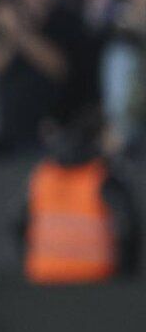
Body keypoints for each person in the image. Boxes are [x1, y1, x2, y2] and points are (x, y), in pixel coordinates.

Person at [17, 107, 140, 283]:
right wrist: (127, 273)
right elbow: (127, 227)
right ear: (100, 137)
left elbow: (18, 222)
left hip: (44, 275)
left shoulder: (41, 174)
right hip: (96, 277)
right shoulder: (104, 176)